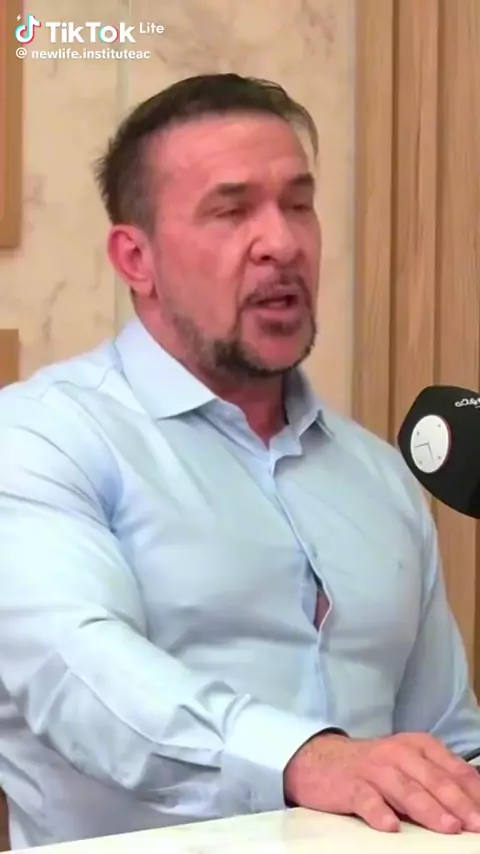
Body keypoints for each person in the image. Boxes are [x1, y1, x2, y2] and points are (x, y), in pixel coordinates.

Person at [0, 73, 480, 850]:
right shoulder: (40, 438)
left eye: (299, 204)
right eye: (231, 211)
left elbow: (447, 745)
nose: (282, 243)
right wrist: (306, 758)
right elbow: (76, 675)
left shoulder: (379, 475)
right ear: (136, 258)